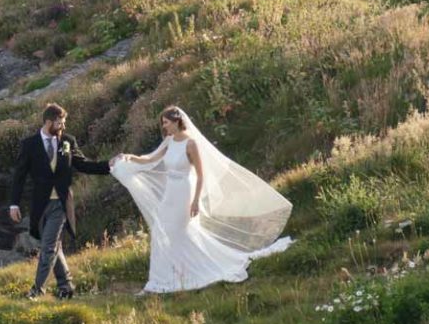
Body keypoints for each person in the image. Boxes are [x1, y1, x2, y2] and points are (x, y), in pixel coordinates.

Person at [110, 105, 293, 293]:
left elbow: (200, 175)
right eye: (163, 124)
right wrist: (128, 157)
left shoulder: (191, 144)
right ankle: (166, 276)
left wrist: (196, 201)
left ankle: (190, 272)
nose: (164, 127)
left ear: (176, 121)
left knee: (180, 231)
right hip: (171, 192)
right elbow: (149, 160)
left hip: (184, 191)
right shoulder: (169, 141)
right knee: (161, 230)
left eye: (166, 123)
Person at [7, 102, 112, 299]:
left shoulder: (68, 141)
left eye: (64, 123)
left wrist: (109, 166)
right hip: (39, 205)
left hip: (61, 205)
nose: (63, 127)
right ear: (48, 122)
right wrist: (14, 204)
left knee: (47, 247)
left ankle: (37, 291)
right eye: (60, 123)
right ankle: (66, 287)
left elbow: (83, 164)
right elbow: (19, 177)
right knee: (54, 246)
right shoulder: (29, 144)